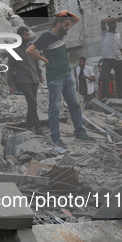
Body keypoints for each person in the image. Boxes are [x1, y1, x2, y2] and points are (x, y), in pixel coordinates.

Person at [26, 10, 93, 148]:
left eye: (68, 25)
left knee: (74, 105)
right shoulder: (46, 36)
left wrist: (65, 13)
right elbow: (29, 50)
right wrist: (43, 58)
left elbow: (77, 19)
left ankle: (80, 132)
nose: (68, 27)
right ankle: (55, 137)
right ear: (59, 23)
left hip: (67, 75)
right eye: (66, 25)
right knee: (54, 108)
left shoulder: (63, 31)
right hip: (55, 78)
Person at [7, 27, 44, 134]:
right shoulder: (14, 50)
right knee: (32, 102)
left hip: (34, 80)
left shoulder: (31, 48)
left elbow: (36, 62)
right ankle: (37, 127)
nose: (28, 36)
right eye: (26, 35)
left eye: (28, 34)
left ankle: (28, 126)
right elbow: (10, 68)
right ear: (19, 36)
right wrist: (11, 84)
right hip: (23, 80)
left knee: (32, 104)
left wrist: (40, 75)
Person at [100, 17, 122, 99]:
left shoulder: (118, 35)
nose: (113, 24)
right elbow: (103, 21)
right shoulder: (105, 33)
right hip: (107, 59)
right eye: (111, 23)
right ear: (108, 24)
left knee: (120, 80)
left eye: (114, 23)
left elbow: (120, 49)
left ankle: (121, 97)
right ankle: (105, 96)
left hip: (118, 60)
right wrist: (115, 19)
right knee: (105, 77)